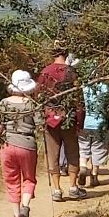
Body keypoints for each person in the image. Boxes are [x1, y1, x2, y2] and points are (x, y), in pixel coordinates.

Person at [0, 71, 42, 217]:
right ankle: (25, 207)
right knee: (29, 179)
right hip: (27, 145)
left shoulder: (3, 103)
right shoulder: (32, 104)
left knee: (11, 181)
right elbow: (41, 125)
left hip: (7, 145)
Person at [34, 48, 84, 202]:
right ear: (66, 54)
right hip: (69, 118)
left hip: (50, 120)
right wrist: (80, 122)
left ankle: (57, 189)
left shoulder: (45, 73)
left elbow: (38, 97)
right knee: (72, 152)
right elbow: (79, 100)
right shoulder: (72, 73)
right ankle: (73, 187)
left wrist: (42, 118)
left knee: (53, 154)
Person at [80, 79, 109, 188]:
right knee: (98, 150)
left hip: (85, 124)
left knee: (83, 148)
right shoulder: (105, 87)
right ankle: (94, 175)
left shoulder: (84, 87)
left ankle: (83, 166)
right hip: (100, 124)